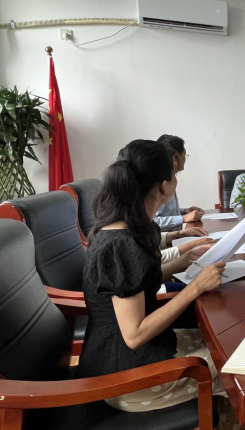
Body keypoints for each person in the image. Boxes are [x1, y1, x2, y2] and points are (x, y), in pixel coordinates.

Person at [76, 139, 227, 412]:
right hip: (125, 378)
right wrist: (195, 288)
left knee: (222, 343)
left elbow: (139, 282)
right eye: (174, 172)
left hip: (136, 354)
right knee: (232, 365)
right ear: (164, 185)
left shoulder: (123, 228)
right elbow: (134, 334)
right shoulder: (121, 245)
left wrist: (183, 261)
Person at [154, 134, 204, 231]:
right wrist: (183, 218)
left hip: (177, 235)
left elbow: (166, 212)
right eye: (184, 155)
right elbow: (152, 222)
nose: (185, 159)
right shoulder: (159, 183)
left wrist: (184, 211)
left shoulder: (169, 178)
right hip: (164, 240)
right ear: (175, 158)